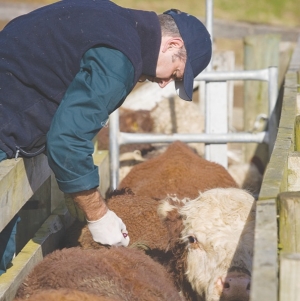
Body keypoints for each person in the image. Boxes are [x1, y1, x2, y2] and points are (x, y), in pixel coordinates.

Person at [0, 0, 212, 273]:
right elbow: (68, 140)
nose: (163, 83)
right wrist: (99, 216)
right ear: (172, 45)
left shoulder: (109, 17)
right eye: (175, 73)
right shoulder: (119, 58)